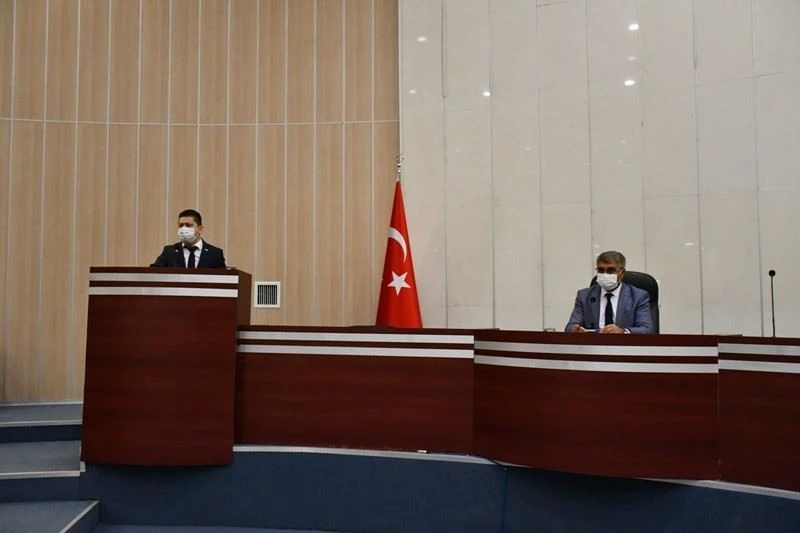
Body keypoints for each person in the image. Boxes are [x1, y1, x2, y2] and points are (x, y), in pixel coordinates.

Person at [565, 250, 653, 334]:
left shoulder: (638, 296)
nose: (605, 274)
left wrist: (623, 331)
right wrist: (575, 329)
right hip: (593, 343)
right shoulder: (584, 296)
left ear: (622, 273)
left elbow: (647, 329)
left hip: (624, 343)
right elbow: (570, 326)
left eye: (611, 270)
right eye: (601, 270)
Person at [151, 209, 227, 268]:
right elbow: (154, 273)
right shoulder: (169, 252)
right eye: (181, 225)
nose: (184, 228)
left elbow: (223, 278)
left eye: (188, 225)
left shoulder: (215, 253)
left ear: (200, 229)